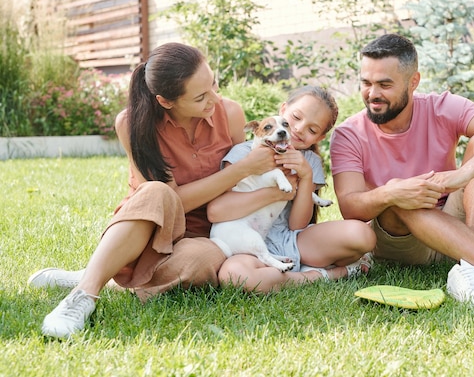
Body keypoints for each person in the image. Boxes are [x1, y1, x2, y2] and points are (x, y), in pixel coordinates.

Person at [27, 43, 283, 338]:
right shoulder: (132, 123)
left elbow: (242, 188)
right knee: (156, 191)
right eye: (201, 97)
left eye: (213, 83)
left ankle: (105, 272)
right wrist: (244, 168)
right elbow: (174, 199)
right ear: (165, 101)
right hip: (147, 226)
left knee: (199, 261)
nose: (215, 98)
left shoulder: (232, 113)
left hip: (205, 234)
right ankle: (83, 294)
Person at [330, 33, 474, 314]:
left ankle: (468, 269)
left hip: (450, 217)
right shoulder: (349, 133)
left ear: (413, 81)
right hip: (400, 238)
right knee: (404, 191)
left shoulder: (441, 107)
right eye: (366, 83)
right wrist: (393, 192)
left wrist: (462, 175)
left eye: (385, 84)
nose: (372, 94)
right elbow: (349, 207)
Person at [208, 86, 376, 293]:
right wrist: (274, 191)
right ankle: (320, 274)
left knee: (362, 236)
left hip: (293, 239)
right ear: (283, 109)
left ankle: (282, 274)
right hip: (248, 242)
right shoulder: (244, 153)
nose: (298, 129)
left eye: (312, 130)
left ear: (319, 138)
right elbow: (218, 210)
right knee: (235, 277)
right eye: (295, 118)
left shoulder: (310, 161)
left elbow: (297, 224)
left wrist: (305, 176)